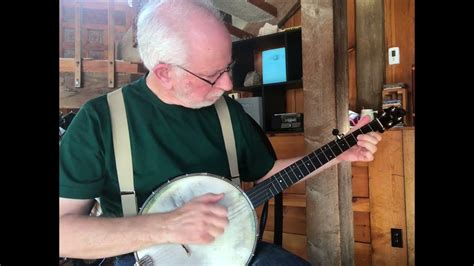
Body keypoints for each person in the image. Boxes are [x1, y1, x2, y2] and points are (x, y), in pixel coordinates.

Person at [59, 0, 382, 265]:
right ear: (164, 72)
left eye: (228, 68)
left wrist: (339, 154)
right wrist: (167, 225)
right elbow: (64, 234)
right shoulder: (101, 121)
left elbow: (268, 173)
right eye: (213, 75)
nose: (228, 85)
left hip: (231, 253)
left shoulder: (227, 113)